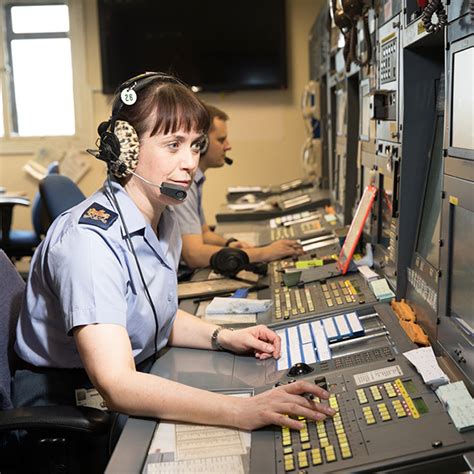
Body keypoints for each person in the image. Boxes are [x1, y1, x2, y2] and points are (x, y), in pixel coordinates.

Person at [13, 73, 335, 435]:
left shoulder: (162, 220)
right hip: (65, 403)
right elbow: (117, 384)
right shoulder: (89, 243)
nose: (190, 163)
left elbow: (151, 313)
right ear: (124, 148)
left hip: (134, 373)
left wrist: (223, 337)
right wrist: (242, 411)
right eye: (173, 145)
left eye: (195, 146)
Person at [174, 103, 304, 272]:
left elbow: (204, 233)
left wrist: (230, 244)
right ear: (201, 143)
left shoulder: (195, 181)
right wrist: (265, 253)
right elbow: (194, 255)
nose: (228, 146)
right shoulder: (183, 184)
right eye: (221, 140)